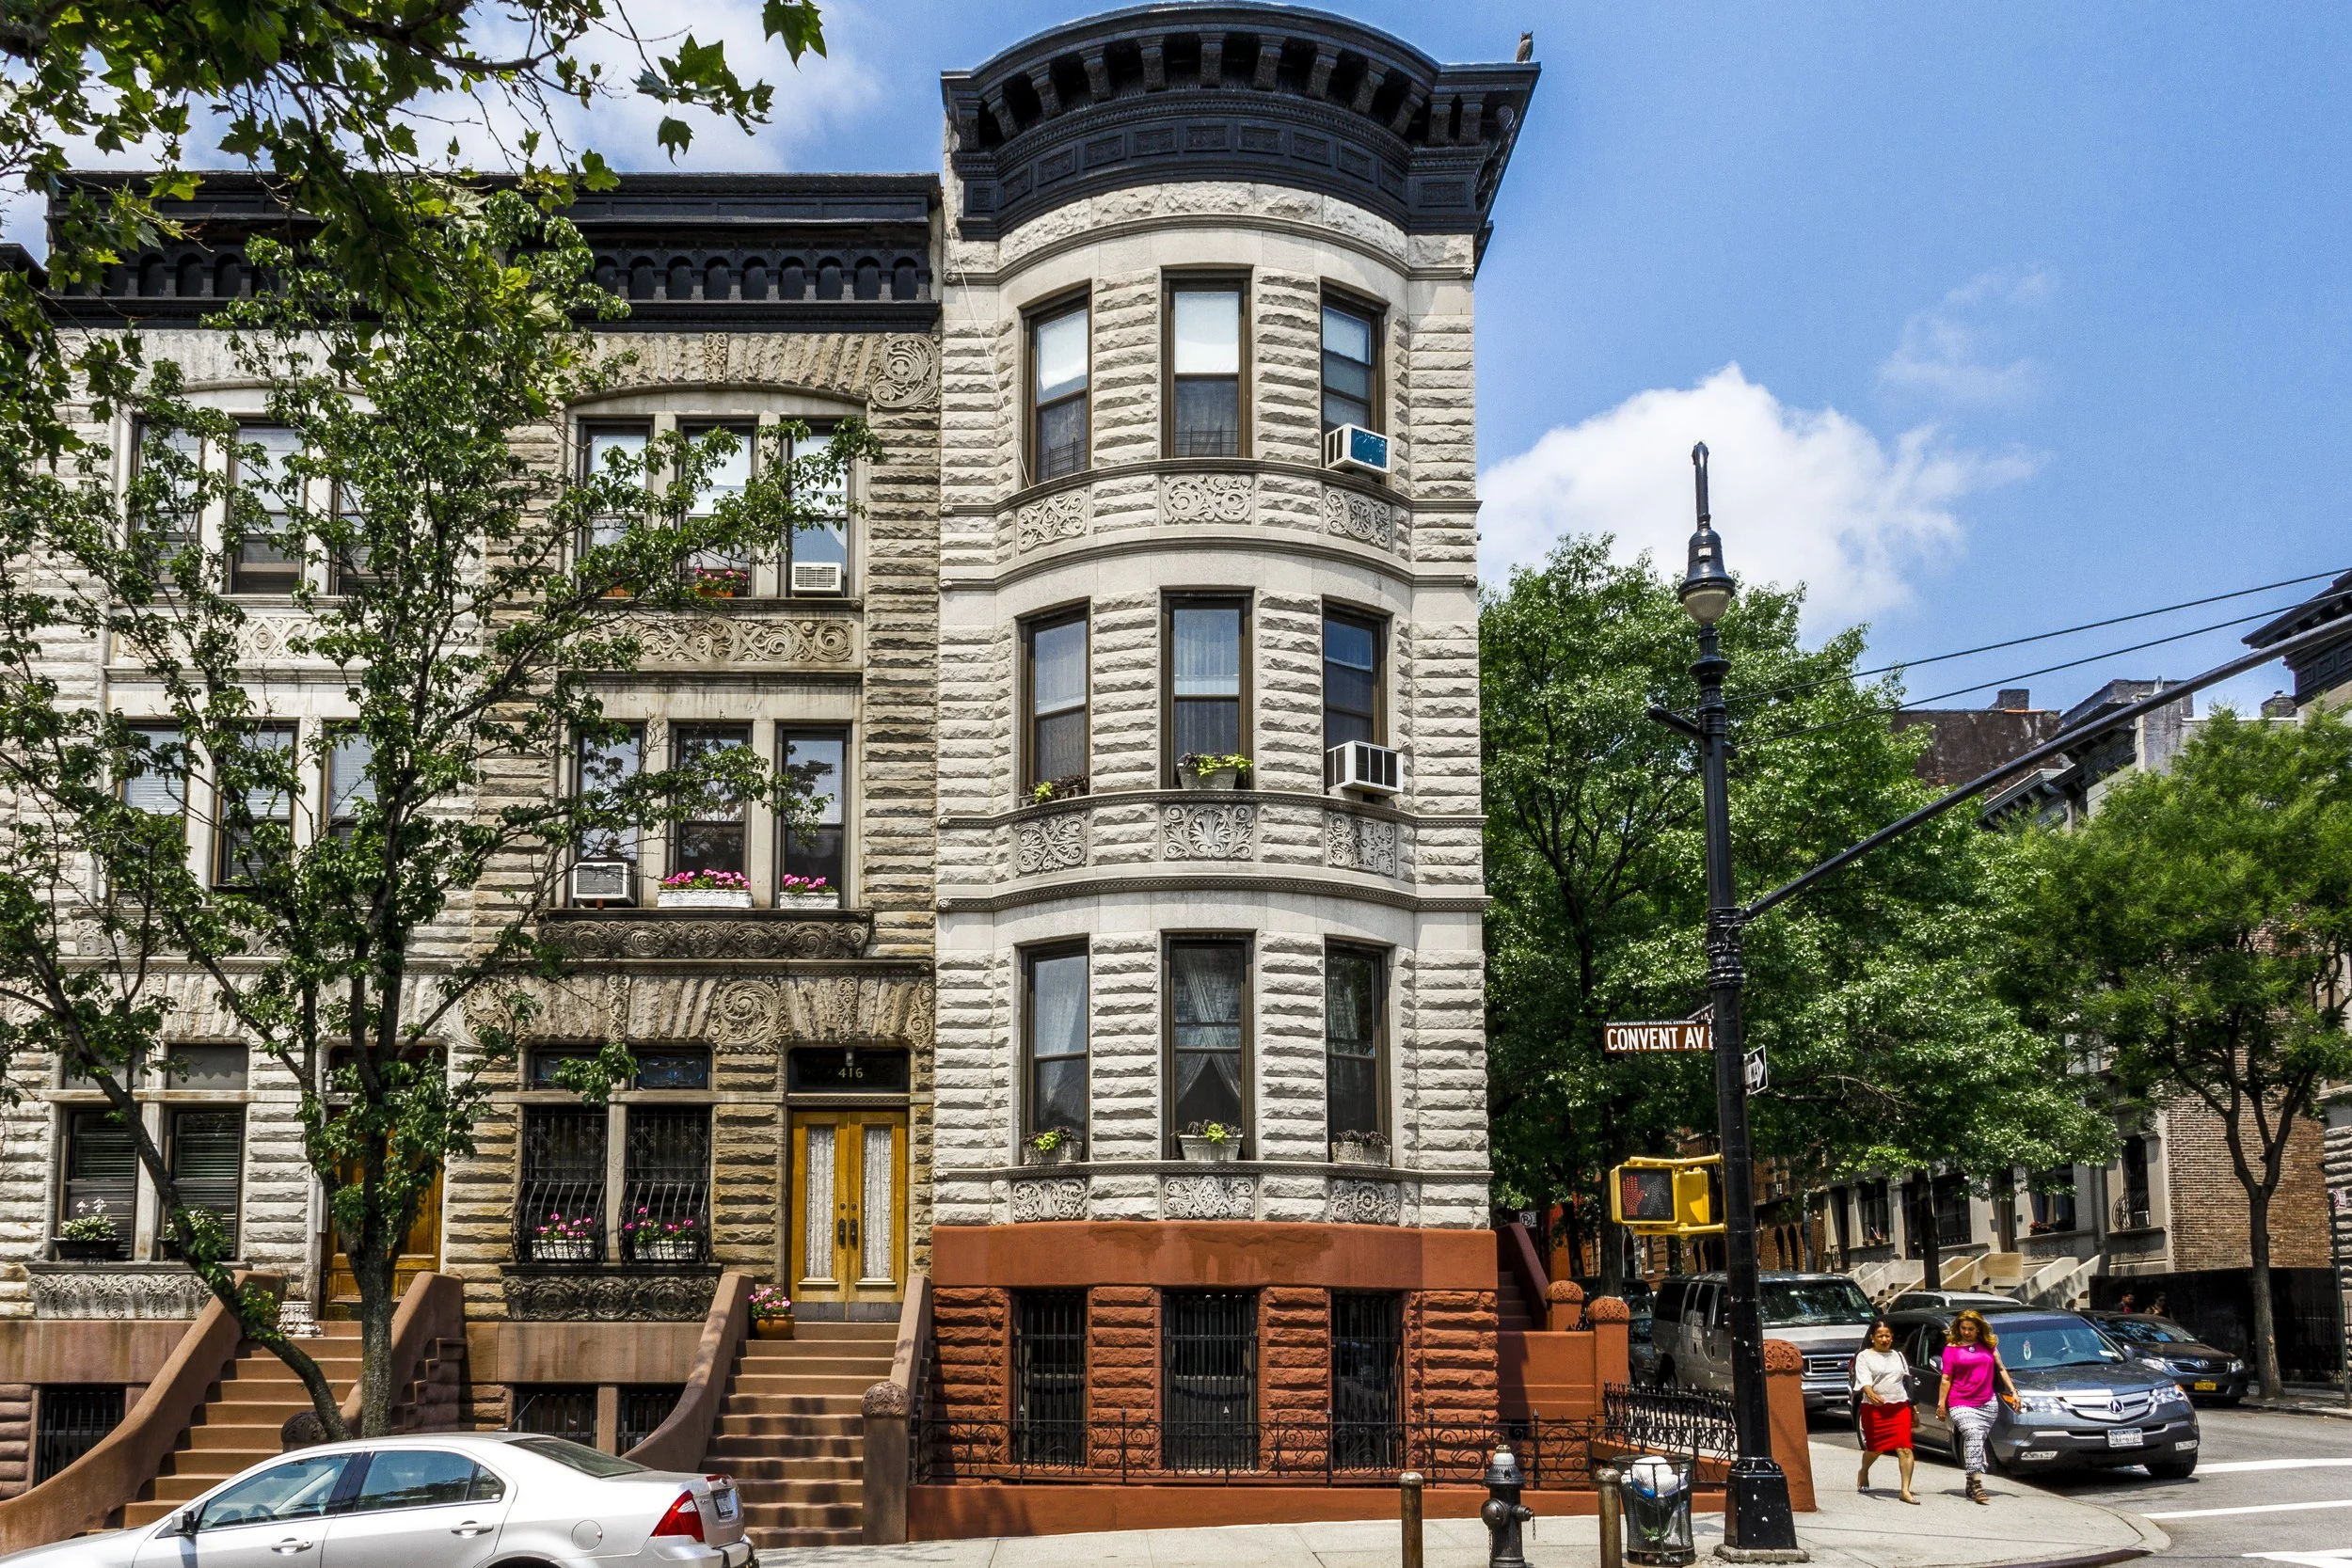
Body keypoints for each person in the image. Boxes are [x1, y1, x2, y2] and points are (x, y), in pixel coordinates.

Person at [1936, 1308, 2020, 1505]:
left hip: (1987, 1402)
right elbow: (1946, 1378)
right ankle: (1977, 1483)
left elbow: (2001, 1369)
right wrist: (1941, 1404)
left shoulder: (1988, 1346)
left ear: (1978, 1329)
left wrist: (2013, 1392)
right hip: (1960, 1401)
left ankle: (1969, 1480)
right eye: (1963, 1328)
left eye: (1971, 1329)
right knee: (1973, 1435)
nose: (1966, 1332)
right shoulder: (1952, 1348)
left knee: (1977, 1441)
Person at [1851, 1320, 1918, 1504]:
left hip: (1899, 1407)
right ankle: (1864, 1471)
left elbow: (1906, 1380)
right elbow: (1864, 1380)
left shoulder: (1897, 1355)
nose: (1884, 1339)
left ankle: (1905, 1490)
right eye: (1880, 1336)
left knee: (1905, 1448)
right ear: (1872, 1338)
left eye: (1887, 1335)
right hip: (1874, 1409)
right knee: (1876, 1448)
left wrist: (1912, 1406)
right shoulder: (1864, 1356)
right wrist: (1870, 1393)